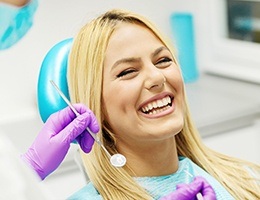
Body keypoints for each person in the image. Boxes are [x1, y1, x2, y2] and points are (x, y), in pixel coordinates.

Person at [24, 9, 260, 199]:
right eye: (127, 71)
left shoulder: (245, 180)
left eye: (163, 60)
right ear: (93, 105)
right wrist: (27, 170)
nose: (157, 77)